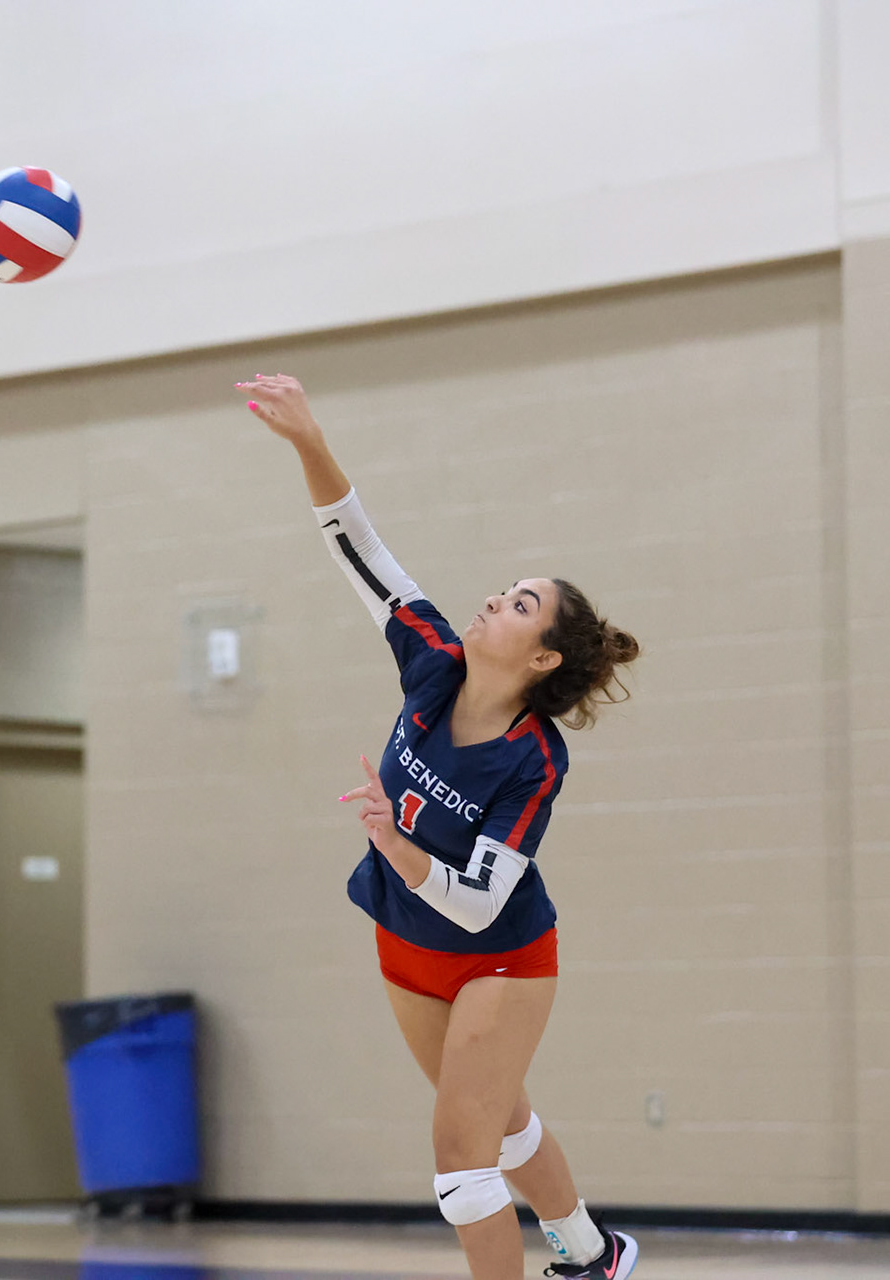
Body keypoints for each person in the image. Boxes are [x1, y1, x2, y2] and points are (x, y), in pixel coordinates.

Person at [237, 374, 643, 1280]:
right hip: (403, 943)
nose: (497, 599)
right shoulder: (431, 659)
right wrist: (309, 439)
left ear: (541, 659)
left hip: (500, 955)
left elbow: (476, 906)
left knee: (463, 1163)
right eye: (506, 589)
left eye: (521, 604)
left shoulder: (534, 761)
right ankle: (590, 1251)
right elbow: (358, 548)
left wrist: (396, 843)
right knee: (499, 1124)